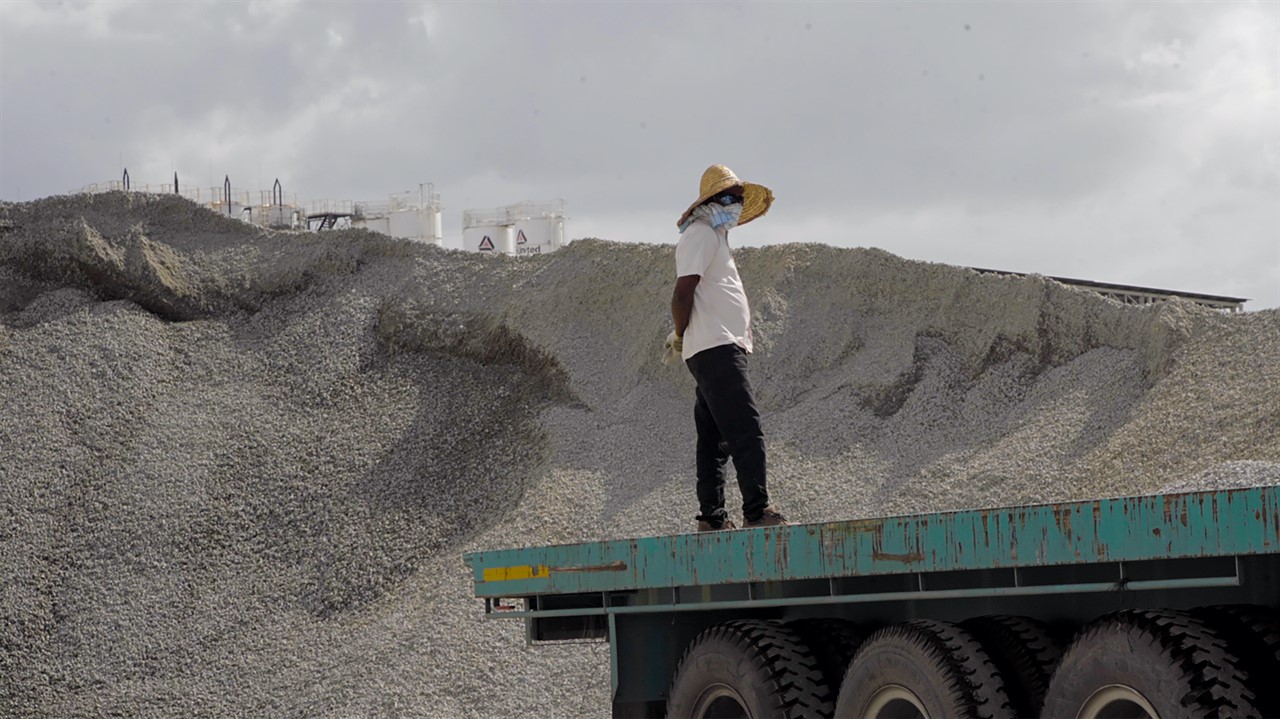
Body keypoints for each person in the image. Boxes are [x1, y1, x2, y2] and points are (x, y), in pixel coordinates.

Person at [666, 164, 787, 532]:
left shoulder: (712, 236)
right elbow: (682, 291)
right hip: (716, 346)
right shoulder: (701, 235)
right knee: (745, 428)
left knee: (713, 438)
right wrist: (680, 332)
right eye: (729, 198)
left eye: (738, 198)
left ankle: (711, 517)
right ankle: (757, 511)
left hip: (714, 346)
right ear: (711, 202)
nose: (735, 204)